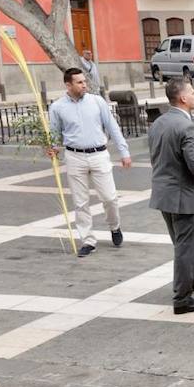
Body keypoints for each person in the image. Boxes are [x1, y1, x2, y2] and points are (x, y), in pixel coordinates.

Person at [148, 77, 194, 316]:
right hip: (182, 195)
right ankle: (182, 298)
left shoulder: (159, 122)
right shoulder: (186, 126)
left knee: (181, 243)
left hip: (163, 193)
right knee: (185, 247)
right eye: (192, 92)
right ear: (182, 98)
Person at [47, 67, 131, 258]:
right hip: (74, 156)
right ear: (68, 85)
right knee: (80, 202)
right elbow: (54, 133)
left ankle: (114, 226)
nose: (84, 85)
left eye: (84, 81)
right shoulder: (57, 107)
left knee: (109, 198)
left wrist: (124, 151)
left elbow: (112, 126)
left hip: (99, 155)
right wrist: (52, 147)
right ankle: (88, 240)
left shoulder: (97, 101)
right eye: (80, 82)